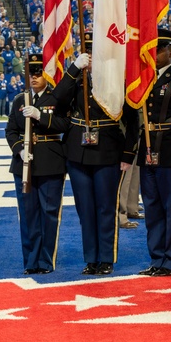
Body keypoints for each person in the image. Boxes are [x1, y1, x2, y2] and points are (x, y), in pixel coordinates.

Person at [53, 33, 138, 275]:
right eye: (88, 51)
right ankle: (91, 258)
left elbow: (132, 121)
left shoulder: (115, 80)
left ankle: (106, 258)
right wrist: (73, 70)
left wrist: (128, 154)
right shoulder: (77, 78)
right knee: (85, 209)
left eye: (95, 50)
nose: (91, 56)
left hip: (108, 150)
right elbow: (57, 99)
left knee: (105, 207)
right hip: (78, 151)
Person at [133, 29, 171, 277]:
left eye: (157, 50)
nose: (153, 55)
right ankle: (156, 258)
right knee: (152, 208)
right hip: (149, 150)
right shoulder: (145, 78)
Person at [5, 54, 70, 275]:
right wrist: (19, 150)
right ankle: (31, 261)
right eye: (30, 72)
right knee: (28, 213)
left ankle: (45, 260)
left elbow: (64, 125)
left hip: (51, 160)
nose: (33, 77)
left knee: (49, 213)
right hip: (25, 164)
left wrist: (40, 115)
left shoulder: (57, 98)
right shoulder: (20, 100)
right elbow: (11, 130)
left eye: (38, 72)